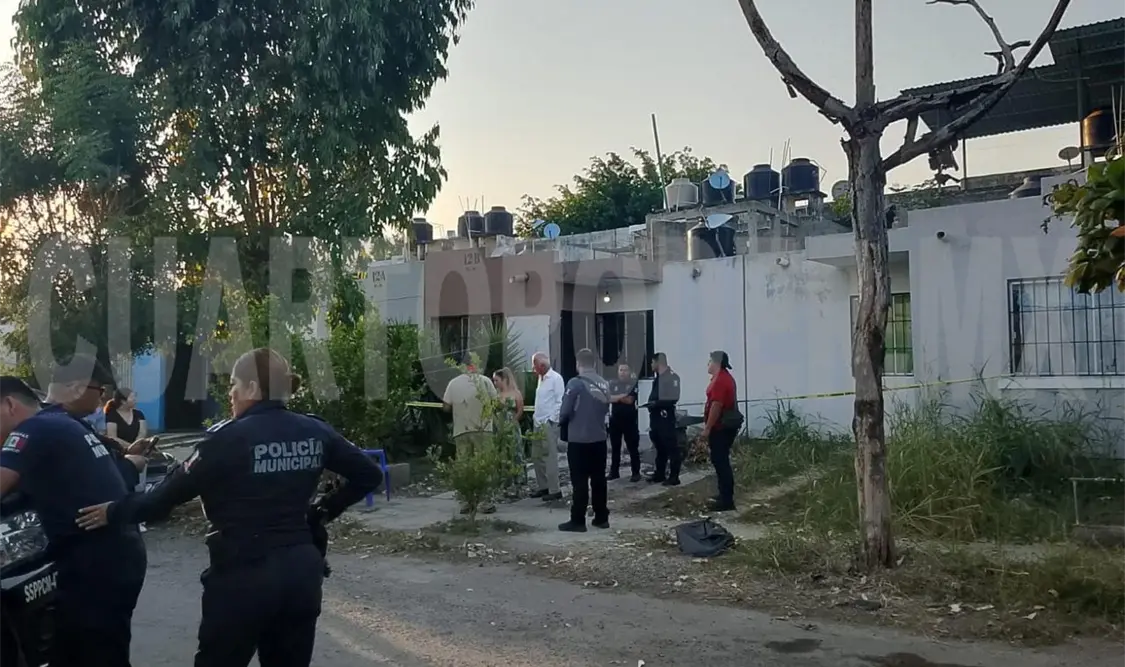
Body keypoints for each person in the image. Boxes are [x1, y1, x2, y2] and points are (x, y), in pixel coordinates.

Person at [75, 348, 384, 667]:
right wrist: (322, 511)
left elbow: (162, 499)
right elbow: (369, 474)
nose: (230, 393)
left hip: (243, 576)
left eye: (234, 384)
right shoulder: (315, 430)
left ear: (253, 388)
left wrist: (112, 512)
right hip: (301, 574)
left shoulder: (225, 440)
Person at [0, 374, 148, 667]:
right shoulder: (62, 422)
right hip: (112, 552)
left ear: (9, 405)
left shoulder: (32, 430)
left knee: (98, 654)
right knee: (73, 651)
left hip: (98, 561)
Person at [557, 349, 611, 532]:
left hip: (579, 439)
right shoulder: (604, 384)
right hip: (599, 438)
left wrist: (563, 422)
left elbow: (565, 411)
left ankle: (578, 520)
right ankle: (601, 517)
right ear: (594, 363)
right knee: (599, 479)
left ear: (578, 363)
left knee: (579, 481)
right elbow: (606, 408)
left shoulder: (575, 383)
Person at [442, 360, 498, 513]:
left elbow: (446, 407)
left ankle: (466, 502)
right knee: (484, 464)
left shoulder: (453, 383)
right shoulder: (485, 381)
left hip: (461, 430)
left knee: (464, 465)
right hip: (483, 429)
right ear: (475, 366)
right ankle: (484, 502)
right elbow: (496, 402)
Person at [703, 350, 739, 512]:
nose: (708, 364)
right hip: (722, 427)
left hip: (721, 428)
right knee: (719, 460)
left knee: (721, 461)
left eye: (710, 361)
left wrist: (707, 428)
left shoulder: (721, 380)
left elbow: (716, 406)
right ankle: (723, 495)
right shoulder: (721, 378)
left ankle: (726, 500)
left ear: (716, 363)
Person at [530, 351, 564, 501]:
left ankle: (554, 489)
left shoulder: (556, 378)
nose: (533, 369)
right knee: (537, 456)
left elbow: (559, 401)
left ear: (542, 366)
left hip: (548, 423)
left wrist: (551, 420)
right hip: (538, 422)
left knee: (550, 456)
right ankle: (543, 486)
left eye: (535, 366)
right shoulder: (541, 378)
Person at [645, 352, 682, 486]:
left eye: (652, 362)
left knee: (671, 447)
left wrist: (656, 403)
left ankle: (674, 476)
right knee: (660, 447)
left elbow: (673, 398)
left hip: (665, 417)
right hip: (655, 418)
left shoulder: (672, 377)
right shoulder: (658, 378)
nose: (651, 365)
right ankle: (659, 473)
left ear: (658, 362)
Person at [492, 368, 525, 497]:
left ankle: (518, 484)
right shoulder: (496, 395)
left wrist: (513, 421)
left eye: (497, 380)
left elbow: (520, 409)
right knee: (502, 454)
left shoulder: (515, 393)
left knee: (515, 454)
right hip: (499, 427)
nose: (495, 383)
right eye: (494, 381)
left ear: (504, 379)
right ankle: (504, 485)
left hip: (512, 427)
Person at [607, 363, 641, 482]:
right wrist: (621, 397)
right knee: (615, 448)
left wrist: (616, 398)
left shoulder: (633, 384)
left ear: (629, 372)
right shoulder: (613, 383)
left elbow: (630, 400)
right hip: (615, 420)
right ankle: (614, 472)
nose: (622, 372)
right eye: (621, 370)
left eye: (625, 370)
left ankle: (636, 472)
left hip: (629, 421)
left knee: (632, 448)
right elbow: (608, 398)